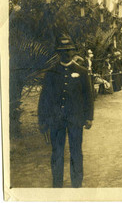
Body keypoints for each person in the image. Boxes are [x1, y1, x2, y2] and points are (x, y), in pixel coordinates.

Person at [38, 35, 94, 188]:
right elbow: (44, 98)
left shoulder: (81, 71)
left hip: (75, 119)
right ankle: (57, 185)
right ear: (58, 52)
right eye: (62, 50)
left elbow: (88, 96)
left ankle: (76, 185)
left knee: (76, 152)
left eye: (69, 50)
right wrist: (42, 120)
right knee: (57, 153)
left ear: (73, 51)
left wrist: (89, 117)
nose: (66, 53)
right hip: (56, 120)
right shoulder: (51, 72)